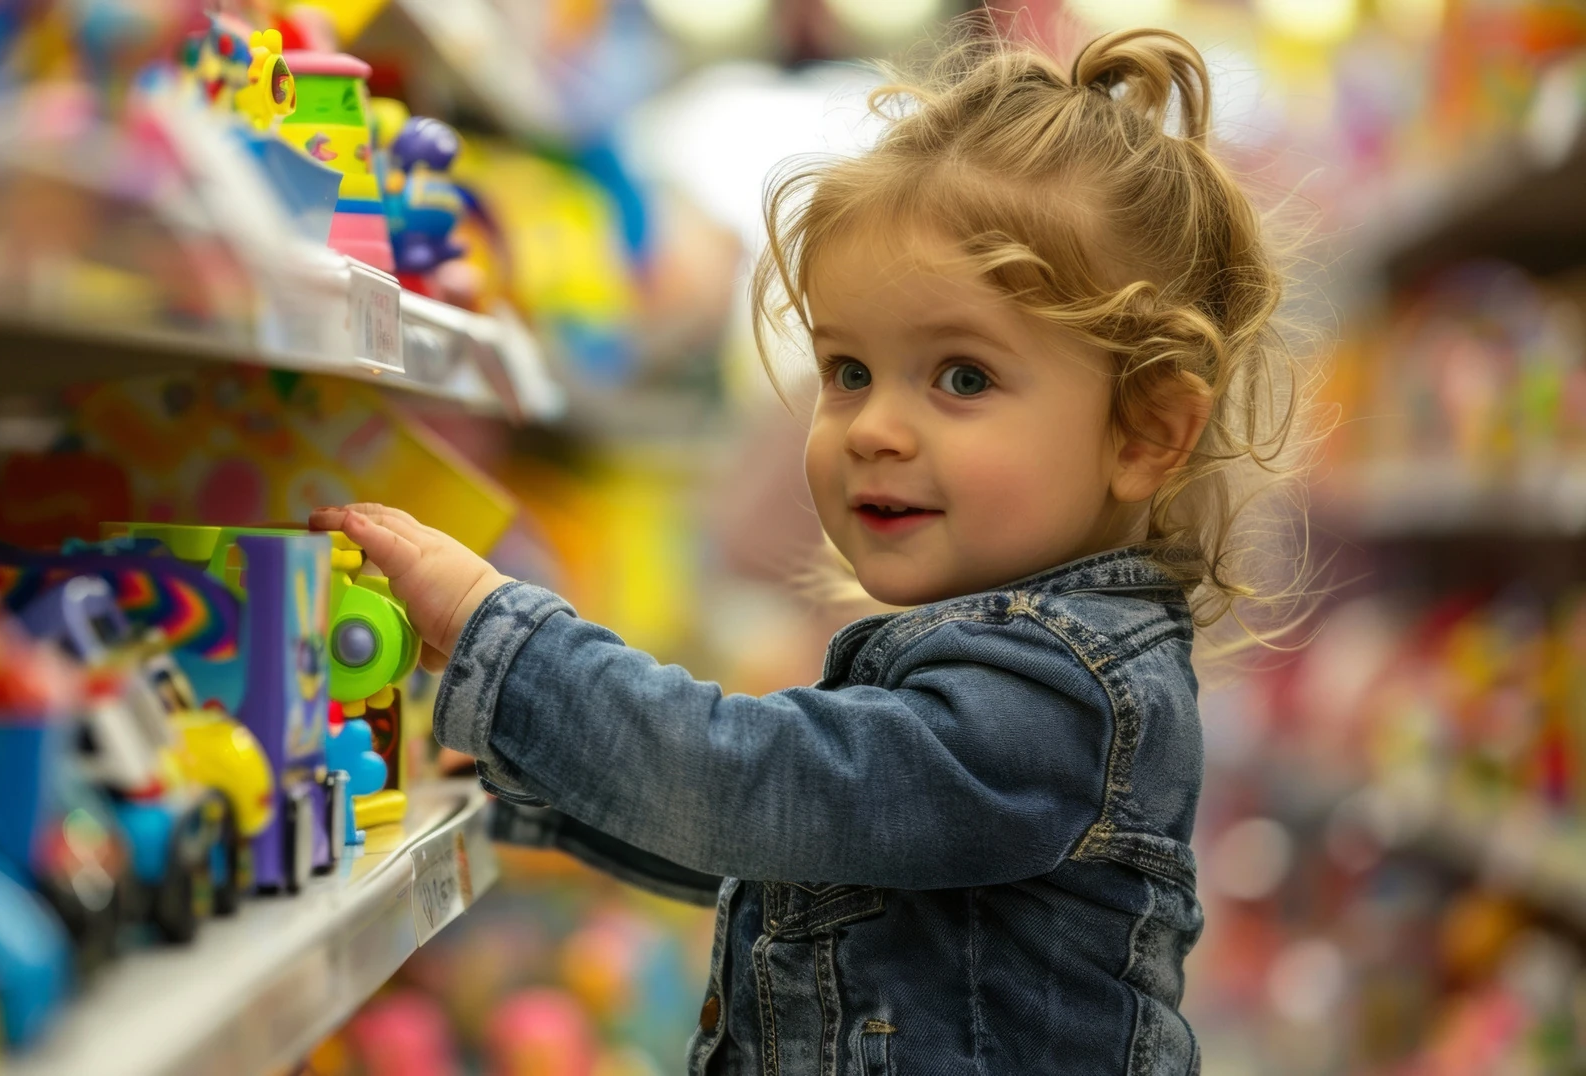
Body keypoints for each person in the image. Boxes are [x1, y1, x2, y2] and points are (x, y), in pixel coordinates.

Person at [311, 22, 1316, 1076]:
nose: (873, 426)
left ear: (1146, 430)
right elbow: (797, 852)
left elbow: (757, 788)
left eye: (963, 376)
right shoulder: (989, 664)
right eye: (847, 370)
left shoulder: (1063, 696)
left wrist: (499, 636)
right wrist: (533, 770)